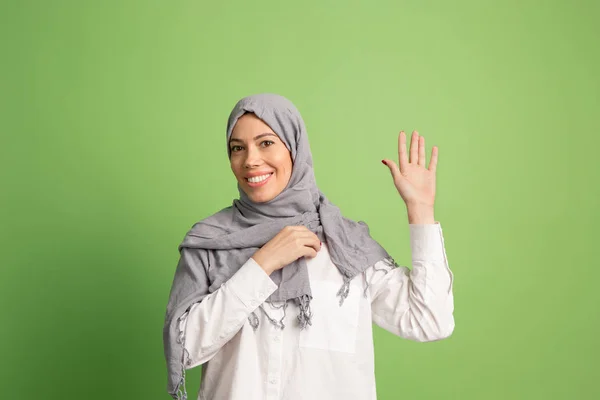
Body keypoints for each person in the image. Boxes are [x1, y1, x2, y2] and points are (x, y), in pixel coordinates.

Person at [163, 93, 454, 400]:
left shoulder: (345, 245)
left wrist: (421, 210)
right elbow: (182, 351)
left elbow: (429, 321)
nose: (250, 160)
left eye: (266, 143)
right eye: (238, 148)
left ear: (294, 147)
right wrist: (261, 265)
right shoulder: (210, 243)